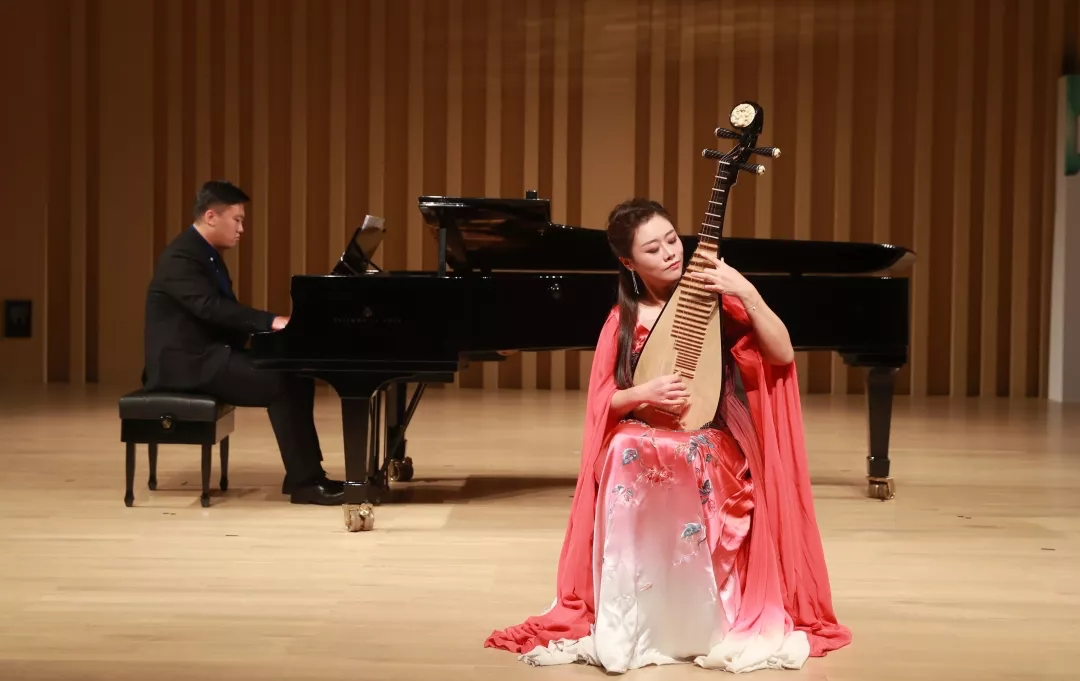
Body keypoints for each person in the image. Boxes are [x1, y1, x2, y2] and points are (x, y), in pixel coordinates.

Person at [484, 198, 851, 673]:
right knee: (625, 445)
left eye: (673, 240)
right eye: (653, 249)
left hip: (710, 438)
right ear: (628, 263)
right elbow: (602, 402)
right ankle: (635, 614)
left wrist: (745, 290)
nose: (670, 253)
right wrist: (642, 393)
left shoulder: (718, 303)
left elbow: (782, 354)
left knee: (687, 451)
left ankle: (701, 617)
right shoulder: (622, 320)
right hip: (645, 431)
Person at [142, 180, 344, 506]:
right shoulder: (181, 257)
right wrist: (270, 322)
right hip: (186, 364)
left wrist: (268, 338)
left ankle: (305, 474)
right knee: (281, 381)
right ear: (211, 217)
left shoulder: (204, 254)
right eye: (237, 220)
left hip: (206, 355)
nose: (241, 229)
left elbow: (220, 313)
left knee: (296, 372)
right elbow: (210, 308)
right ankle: (305, 482)